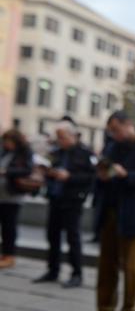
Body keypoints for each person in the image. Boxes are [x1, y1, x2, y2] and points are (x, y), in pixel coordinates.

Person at [79, 111, 135, 311]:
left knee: (130, 269)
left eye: (116, 129)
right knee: (105, 266)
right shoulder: (112, 146)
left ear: (128, 124)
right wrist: (102, 175)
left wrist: (125, 175)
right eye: (111, 131)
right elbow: (101, 175)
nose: (114, 134)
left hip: (132, 214)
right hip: (108, 212)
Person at [32, 119, 95, 287]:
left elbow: (90, 178)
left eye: (62, 137)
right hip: (55, 197)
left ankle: (77, 273)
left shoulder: (84, 153)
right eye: (58, 137)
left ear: (72, 136)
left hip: (73, 200)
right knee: (53, 235)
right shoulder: (56, 152)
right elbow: (49, 169)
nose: (60, 140)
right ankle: (53, 270)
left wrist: (70, 177)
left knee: (73, 237)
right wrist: (46, 173)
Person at [0, 129, 34, 269]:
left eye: (8, 141)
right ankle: (4, 253)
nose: (6, 144)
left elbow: (27, 170)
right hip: (1, 194)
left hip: (13, 195)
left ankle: (9, 255)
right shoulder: (4, 151)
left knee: (9, 226)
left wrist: (6, 172)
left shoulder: (24, 153)